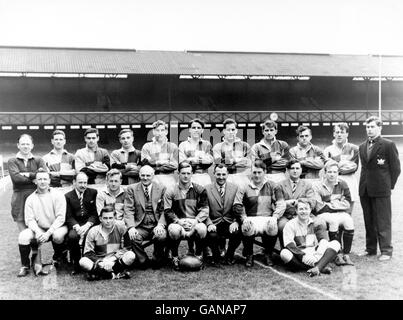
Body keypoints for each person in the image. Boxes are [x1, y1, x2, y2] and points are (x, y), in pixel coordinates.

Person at [359, 116, 401, 261]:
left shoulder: (388, 145)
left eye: (372, 127)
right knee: (368, 220)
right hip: (365, 189)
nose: (369, 129)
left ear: (379, 127)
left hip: (381, 189)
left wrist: (388, 185)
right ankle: (370, 249)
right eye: (367, 127)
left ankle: (386, 251)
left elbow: (396, 169)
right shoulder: (361, 146)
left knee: (383, 221)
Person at [233, 160, 286, 267]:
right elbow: (237, 205)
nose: (256, 175)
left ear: (265, 172)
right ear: (251, 172)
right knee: (246, 228)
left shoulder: (273, 185)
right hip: (250, 218)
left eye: (259, 172)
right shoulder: (244, 186)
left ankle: (268, 254)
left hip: (267, 218)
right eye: (254, 172)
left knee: (273, 227)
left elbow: (281, 204)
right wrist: (244, 218)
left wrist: (275, 217)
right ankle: (249, 254)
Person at [17, 169, 68, 277]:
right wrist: (38, 232)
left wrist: (48, 233)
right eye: (40, 179)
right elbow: (29, 220)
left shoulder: (58, 195)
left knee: (57, 236)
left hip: (57, 227)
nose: (42, 182)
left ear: (49, 181)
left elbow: (61, 218)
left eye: (45, 179)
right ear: (35, 181)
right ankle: (25, 266)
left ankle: (58, 259)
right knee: (23, 236)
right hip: (39, 228)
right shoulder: (30, 199)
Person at [164, 161, 209, 270]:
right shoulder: (170, 190)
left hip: (193, 223)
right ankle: (174, 256)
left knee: (202, 228)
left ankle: (198, 256)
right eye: (183, 173)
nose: (186, 176)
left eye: (188, 173)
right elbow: (167, 210)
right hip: (178, 223)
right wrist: (178, 221)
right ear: (178, 173)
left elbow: (205, 209)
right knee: (174, 230)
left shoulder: (200, 189)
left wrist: (196, 221)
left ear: (192, 173)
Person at [280, 199, 341, 277]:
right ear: (296, 210)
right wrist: (303, 256)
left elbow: (323, 241)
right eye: (301, 209)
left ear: (310, 210)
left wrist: (318, 254)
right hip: (299, 254)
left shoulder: (315, 223)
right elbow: (289, 245)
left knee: (336, 243)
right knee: (284, 253)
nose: (304, 211)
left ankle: (317, 267)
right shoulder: (290, 224)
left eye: (306, 209)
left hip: (314, 254)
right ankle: (319, 267)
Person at [124, 165, 167, 269]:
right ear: (139, 175)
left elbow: (164, 210)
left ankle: (157, 259)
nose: (145, 178)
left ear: (153, 176)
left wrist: (161, 225)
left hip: (156, 224)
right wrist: (131, 227)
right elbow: (129, 209)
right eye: (143, 175)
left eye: (148, 175)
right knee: (134, 237)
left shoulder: (161, 188)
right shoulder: (132, 189)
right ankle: (143, 260)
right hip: (140, 225)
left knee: (161, 236)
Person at [312, 161, 355, 266]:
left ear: (338, 173)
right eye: (329, 172)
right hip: (322, 214)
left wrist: (329, 203)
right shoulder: (317, 185)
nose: (332, 174)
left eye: (335, 172)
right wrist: (337, 203)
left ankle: (346, 254)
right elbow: (319, 206)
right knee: (333, 221)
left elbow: (348, 203)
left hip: (338, 212)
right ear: (325, 172)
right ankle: (337, 254)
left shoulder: (342, 183)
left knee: (349, 221)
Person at [277, 159, 326, 248]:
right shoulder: (280, 185)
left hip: (305, 214)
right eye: (292, 168)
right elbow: (278, 203)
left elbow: (312, 202)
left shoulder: (307, 185)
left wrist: (298, 202)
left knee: (320, 223)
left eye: (297, 168)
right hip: (286, 215)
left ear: (301, 170)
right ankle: (286, 250)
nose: (295, 171)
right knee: (282, 226)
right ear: (287, 170)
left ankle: (321, 249)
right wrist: (286, 203)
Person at [79, 205, 135, 280]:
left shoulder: (121, 227)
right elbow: (88, 253)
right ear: (100, 219)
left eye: (110, 218)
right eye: (105, 218)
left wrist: (113, 258)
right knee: (83, 261)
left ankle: (100, 275)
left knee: (131, 255)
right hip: (100, 262)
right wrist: (101, 262)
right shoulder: (93, 231)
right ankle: (114, 274)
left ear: (114, 218)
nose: (108, 221)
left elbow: (127, 247)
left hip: (115, 261)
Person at [8, 134, 47, 232]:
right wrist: (35, 177)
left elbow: (44, 176)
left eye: (28, 144)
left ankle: (36, 248)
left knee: (37, 230)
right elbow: (16, 179)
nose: (25, 146)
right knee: (24, 232)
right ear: (18, 145)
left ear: (32, 145)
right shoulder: (12, 161)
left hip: (37, 195)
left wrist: (27, 174)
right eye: (23, 144)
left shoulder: (39, 160)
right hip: (19, 197)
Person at [205, 164, 242, 265]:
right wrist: (209, 224)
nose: (221, 177)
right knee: (211, 235)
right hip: (214, 222)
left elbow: (239, 207)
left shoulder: (235, 188)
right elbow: (204, 209)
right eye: (218, 174)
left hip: (229, 222)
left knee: (237, 233)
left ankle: (230, 255)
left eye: (223, 174)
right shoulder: (207, 189)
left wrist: (236, 222)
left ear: (228, 174)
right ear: (214, 174)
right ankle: (216, 256)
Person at [65, 172, 99, 275]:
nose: (83, 185)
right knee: (72, 237)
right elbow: (69, 215)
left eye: (85, 182)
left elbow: (95, 213)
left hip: (89, 223)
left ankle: (88, 262)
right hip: (76, 225)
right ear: (74, 182)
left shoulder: (93, 193)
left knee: (90, 234)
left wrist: (88, 224)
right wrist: (77, 227)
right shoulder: (68, 196)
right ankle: (76, 263)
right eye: (80, 182)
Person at [324, 122, 359, 209]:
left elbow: (353, 168)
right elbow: (327, 169)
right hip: (332, 184)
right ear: (333, 134)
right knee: (332, 213)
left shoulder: (354, 148)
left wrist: (334, 163)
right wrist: (343, 163)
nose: (339, 135)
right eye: (337, 132)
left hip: (349, 183)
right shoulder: (328, 150)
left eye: (342, 132)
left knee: (348, 214)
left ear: (347, 134)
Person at [212, 118, 252, 191]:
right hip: (226, 179)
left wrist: (228, 162)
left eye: (233, 130)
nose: (231, 132)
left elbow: (248, 164)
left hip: (242, 178)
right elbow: (219, 165)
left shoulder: (245, 146)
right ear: (224, 131)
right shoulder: (218, 147)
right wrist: (237, 160)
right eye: (228, 130)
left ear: (236, 130)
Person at [141, 120, 178, 192]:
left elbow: (174, 166)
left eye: (162, 130)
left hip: (169, 179)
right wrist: (166, 162)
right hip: (153, 179)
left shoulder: (173, 146)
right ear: (153, 132)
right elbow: (146, 164)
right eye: (157, 130)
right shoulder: (147, 146)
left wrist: (155, 164)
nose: (160, 133)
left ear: (166, 132)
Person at [179, 118, 214, 187]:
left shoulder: (207, 144)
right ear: (189, 129)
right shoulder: (183, 145)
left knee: (206, 197)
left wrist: (191, 159)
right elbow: (182, 163)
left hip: (204, 177)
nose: (196, 130)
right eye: (194, 127)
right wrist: (200, 160)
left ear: (202, 130)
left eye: (198, 128)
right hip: (189, 177)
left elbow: (210, 161)